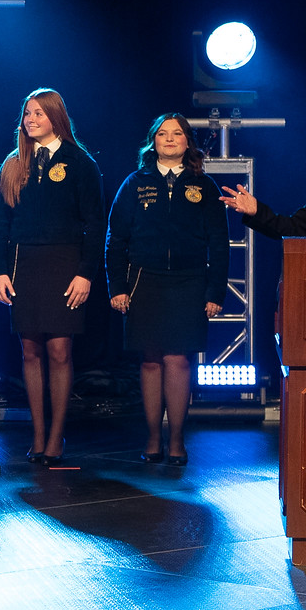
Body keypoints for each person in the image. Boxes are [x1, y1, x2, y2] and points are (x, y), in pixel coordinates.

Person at [104, 114, 229, 467]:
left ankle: (176, 439)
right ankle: (153, 437)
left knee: (178, 359)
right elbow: (115, 241)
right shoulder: (134, 183)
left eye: (177, 134)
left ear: (188, 142)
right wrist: (118, 287)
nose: (170, 139)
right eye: (163, 134)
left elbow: (219, 244)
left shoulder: (203, 187)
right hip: (145, 281)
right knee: (150, 360)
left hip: (190, 282)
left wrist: (215, 292)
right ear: (152, 141)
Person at [0, 88, 104, 467]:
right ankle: (38, 435)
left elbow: (95, 224)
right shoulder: (13, 163)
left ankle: (57, 436)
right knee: (30, 349)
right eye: (27, 113)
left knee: (59, 350)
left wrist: (85, 274)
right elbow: (0, 223)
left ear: (56, 116)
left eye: (39, 113)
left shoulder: (79, 162)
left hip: (64, 265)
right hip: (24, 265)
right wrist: (1, 270)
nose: (31, 119)